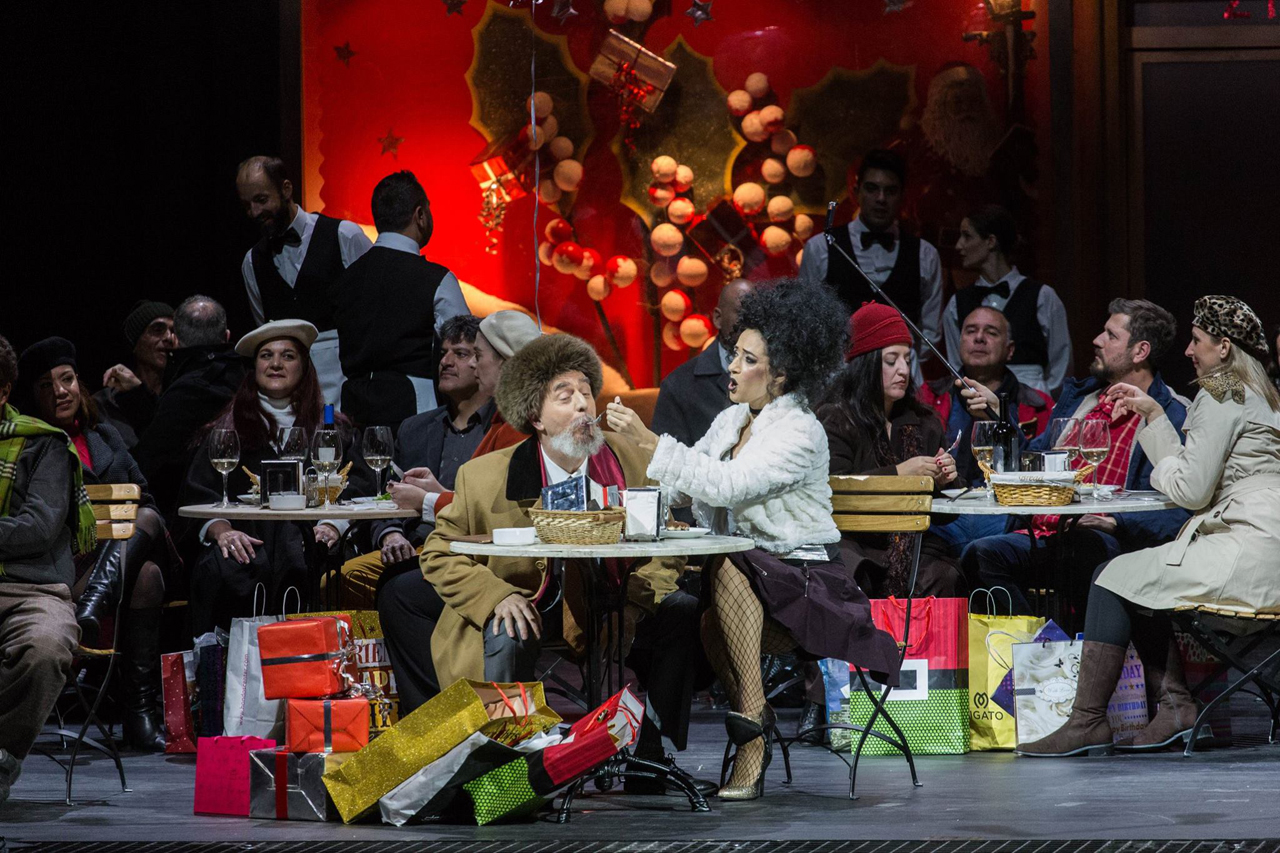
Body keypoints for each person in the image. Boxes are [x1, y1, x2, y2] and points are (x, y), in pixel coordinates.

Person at [607, 281, 901, 801]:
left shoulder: (800, 431)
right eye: (735, 355)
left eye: (747, 360)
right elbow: (685, 483)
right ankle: (752, 715)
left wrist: (650, 440)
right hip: (746, 583)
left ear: (780, 374)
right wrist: (625, 489)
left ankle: (750, 732)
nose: (732, 368)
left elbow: (728, 485)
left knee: (728, 562)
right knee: (697, 613)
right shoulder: (731, 420)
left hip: (805, 581)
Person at [396, 334, 706, 793]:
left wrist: (638, 600)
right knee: (506, 629)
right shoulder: (485, 476)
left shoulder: (629, 459)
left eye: (586, 393)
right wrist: (496, 596)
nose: (583, 405)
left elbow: (669, 541)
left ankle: (650, 753)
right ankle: (507, 768)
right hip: (532, 602)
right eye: (565, 396)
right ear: (536, 417)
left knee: (681, 610)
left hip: (616, 598)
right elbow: (441, 551)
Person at [1018, 295, 1280, 757]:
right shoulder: (1258, 392)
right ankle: (1175, 705)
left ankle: (1088, 722)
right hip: (1264, 547)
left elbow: (1191, 490)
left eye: (1197, 340)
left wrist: (1160, 454)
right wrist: (1156, 416)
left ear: (1223, 347)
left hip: (1246, 548)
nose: (1188, 351)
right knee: (1139, 577)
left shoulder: (1221, 391)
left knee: (1113, 576)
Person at [960, 299, 1192, 616]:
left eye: (1111, 335)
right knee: (979, 555)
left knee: (1084, 548)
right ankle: (1039, 641)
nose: (1097, 340)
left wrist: (1116, 521)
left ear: (1140, 352)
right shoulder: (1082, 400)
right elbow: (1032, 464)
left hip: (1109, 542)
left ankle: (1083, 644)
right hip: (1046, 532)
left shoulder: (1172, 414)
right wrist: (999, 414)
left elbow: (1184, 507)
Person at [16, 337, 172, 750]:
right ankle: (139, 717)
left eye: (66, 379)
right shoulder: (31, 446)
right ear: (33, 396)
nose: (60, 391)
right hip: (65, 570)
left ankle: (138, 711)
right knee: (146, 575)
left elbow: (145, 497)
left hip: (108, 567)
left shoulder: (104, 435)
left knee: (148, 530)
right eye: (46, 385)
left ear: (79, 383)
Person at [180, 320, 374, 635]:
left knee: (325, 564)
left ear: (304, 366)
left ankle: (320, 657)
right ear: (254, 367)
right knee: (221, 565)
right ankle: (232, 659)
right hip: (247, 546)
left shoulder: (334, 429)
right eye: (266, 355)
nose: (275, 364)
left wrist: (333, 525)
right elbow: (199, 493)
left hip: (315, 544)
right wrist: (222, 531)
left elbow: (360, 487)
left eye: (288, 356)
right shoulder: (227, 429)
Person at [339, 315, 494, 609]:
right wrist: (390, 534)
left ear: (485, 363)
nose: (445, 362)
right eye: (443, 353)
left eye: (460, 354)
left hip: (472, 550)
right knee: (341, 578)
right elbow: (386, 494)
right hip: (414, 547)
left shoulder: (502, 429)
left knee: (398, 588)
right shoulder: (415, 428)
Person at [0, 334, 96, 802]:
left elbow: (37, 528)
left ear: (3, 391)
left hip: (32, 590)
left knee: (46, 647)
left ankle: (2, 756)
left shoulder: (44, 445)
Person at [816, 302, 963, 599]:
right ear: (866, 364)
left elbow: (946, 514)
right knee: (848, 570)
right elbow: (830, 492)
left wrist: (946, 479)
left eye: (907, 360)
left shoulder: (924, 421)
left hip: (912, 543)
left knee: (945, 574)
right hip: (854, 539)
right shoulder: (836, 419)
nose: (903, 370)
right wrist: (900, 474)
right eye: (891, 361)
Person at [334, 170, 470, 430]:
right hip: (416, 411)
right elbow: (465, 348)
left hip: (355, 412)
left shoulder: (345, 279)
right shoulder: (436, 279)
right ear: (420, 215)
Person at [236, 155, 372, 407]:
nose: (254, 212)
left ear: (286, 189)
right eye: (247, 205)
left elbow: (374, 312)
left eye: (261, 200)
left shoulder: (344, 235)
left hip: (348, 387)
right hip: (290, 399)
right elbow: (265, 330)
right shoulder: (252, 262)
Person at [798, 149, 943, 380]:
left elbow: (931, 333)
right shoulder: (820, 248)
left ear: (903, 196)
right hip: (839, 381)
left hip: (903, 382)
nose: (881, 198)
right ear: (856, 192)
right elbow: (806, 320)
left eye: (890, 191)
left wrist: (899, 364)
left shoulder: (926, 255)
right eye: (872, 188)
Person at [921, 304, 1053, 556]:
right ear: (959, 342)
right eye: (971, 331)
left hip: (1007, 515)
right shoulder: (926, 397)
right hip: (942, 512)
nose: (979, 338)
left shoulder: (1039, 404)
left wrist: (1000, 418)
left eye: (991, 332)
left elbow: (1045, 472)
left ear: (1010, 350)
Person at [132, 296, 246, 520]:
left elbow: (147, 460)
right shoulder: (246, 379)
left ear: (175, 340)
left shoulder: (186, 390)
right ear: (227, 336)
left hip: (189, 513)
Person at [943, 205, 1071, 396]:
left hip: (1031, 398)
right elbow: (955, 365)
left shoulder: (1042, 296)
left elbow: (1060, 364)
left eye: (967, 236)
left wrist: (1041, 402)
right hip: (977, 400)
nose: (959, 246)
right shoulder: (957, 303)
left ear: (990, 241)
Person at [650, 279, 755, 447]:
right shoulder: (678, 386)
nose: (752, 323)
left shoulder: (778, 376)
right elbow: (665, 457)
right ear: (718, 318)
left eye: (758, 315)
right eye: (743, 314)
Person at [93, 300, 176, 448]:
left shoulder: (180, 397)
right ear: (135, 343)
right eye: (158, 330)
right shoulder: (104, 405)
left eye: (174, 331)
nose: (169, 337)